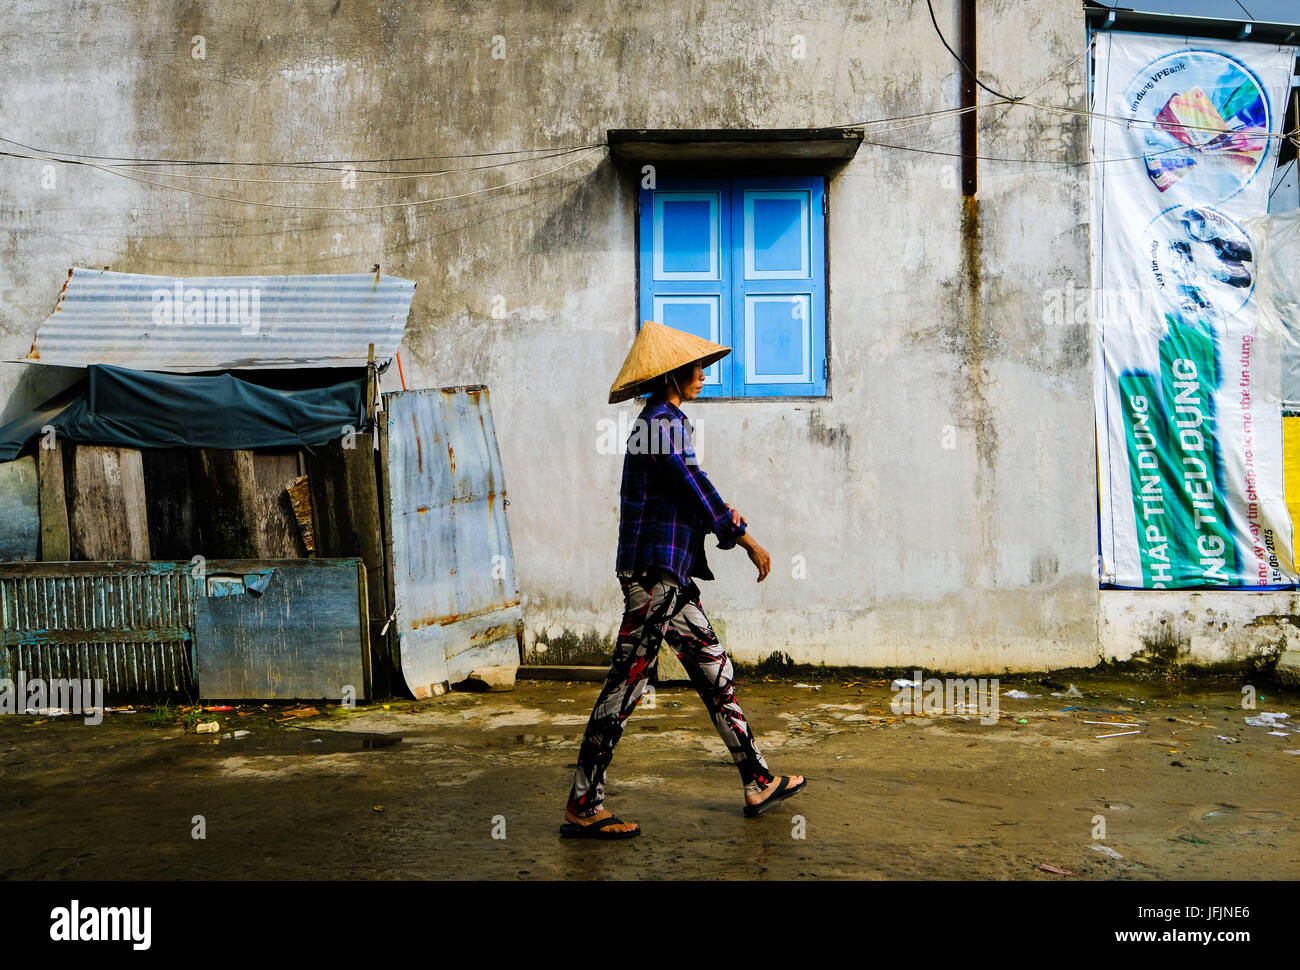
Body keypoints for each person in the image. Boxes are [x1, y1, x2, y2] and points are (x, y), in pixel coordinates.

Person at [559, 320, 806, 839]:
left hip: (670, 578)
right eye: (696, 368)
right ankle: (583, 804)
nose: (703, 376)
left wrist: (723, 523)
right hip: (655, 579)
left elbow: (684, 494)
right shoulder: (661, 423)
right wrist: (744, 537)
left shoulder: (660, 422)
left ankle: (757, 779)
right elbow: (694, 485)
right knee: (624, 688)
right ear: (673, 374)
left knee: (715, 671)